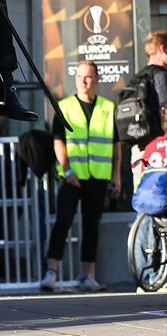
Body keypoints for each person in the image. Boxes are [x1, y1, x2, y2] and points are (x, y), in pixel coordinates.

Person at [40, 60, 121, 293]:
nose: (83, 82)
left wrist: (117, 176)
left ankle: (88, 275)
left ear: (96, 79)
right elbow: (58, 141)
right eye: (79, 77)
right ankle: (51, 272)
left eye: (88, 77)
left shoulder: (107, 107)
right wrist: (67, 170)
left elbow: (116, 145)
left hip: (97, 175)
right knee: (63, 221)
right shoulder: (64, 106)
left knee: (91, 225)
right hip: (71, 176)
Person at [132, 31, 167, 185]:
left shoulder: (138, 77)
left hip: (140, 150)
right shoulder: (161, 75)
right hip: (161, 149)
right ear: (162, 49)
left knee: (146, 198)